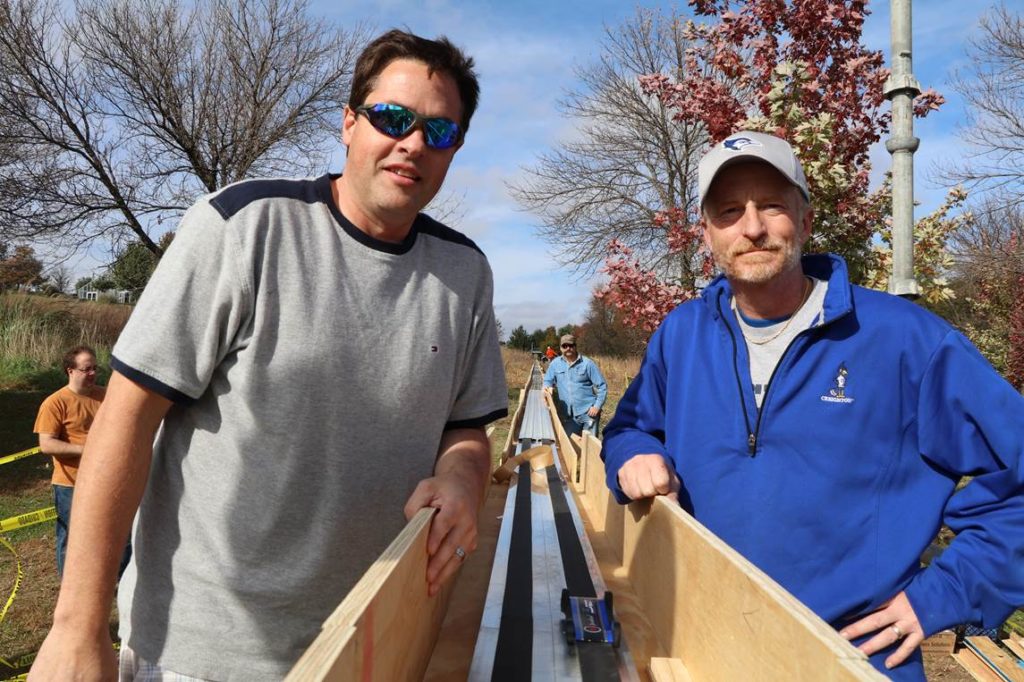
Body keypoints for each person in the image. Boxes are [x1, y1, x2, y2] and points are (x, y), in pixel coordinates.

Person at [30, 30, 507, 681]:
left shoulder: (465, 273)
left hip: (373, 645)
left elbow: (466, 428)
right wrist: (77, 628)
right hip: (204, 656)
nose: (414, 143)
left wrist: (462, 478)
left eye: (440, 131)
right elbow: (127, 416)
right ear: (349, 122)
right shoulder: (244, 227)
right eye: (393, 117)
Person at [601, 130, 1024, 681]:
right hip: (701, 645)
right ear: (706, 234)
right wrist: (632, 454)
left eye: (771, 205)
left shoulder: (904, 341)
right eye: (729, 211)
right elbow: (631, 428)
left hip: (846, 658)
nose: (751, 227)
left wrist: (944, 593)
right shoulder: (681, 336)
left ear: (803, 221)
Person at [543, 334, 607, 437]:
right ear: (560, 348)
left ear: (575, 346)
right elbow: (547, 380)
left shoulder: (587, 364)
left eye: (571, 345)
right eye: (565, 346)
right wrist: (547, 387)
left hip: (588, 413)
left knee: (589, 448)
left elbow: (602, 386)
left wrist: (597, 406)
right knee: (569, 446)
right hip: (568, 416)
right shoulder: (555, 364)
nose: (568, 348)